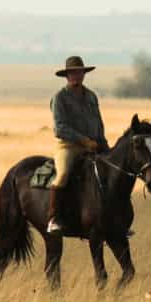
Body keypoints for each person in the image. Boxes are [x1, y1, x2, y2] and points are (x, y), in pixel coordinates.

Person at [47, 56, 109, 235]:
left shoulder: (91, 96)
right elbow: (60, 128)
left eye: (79, 72)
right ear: (66, 76)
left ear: (84, 74)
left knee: (112, 172)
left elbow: (98, 123)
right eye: (73, 73)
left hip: (93, 145)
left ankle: (115, 219)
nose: (76, 75)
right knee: (63, 174)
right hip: (67, 147)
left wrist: (103, 145)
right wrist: (83, 141)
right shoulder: (59, 98)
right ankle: (53, 218)